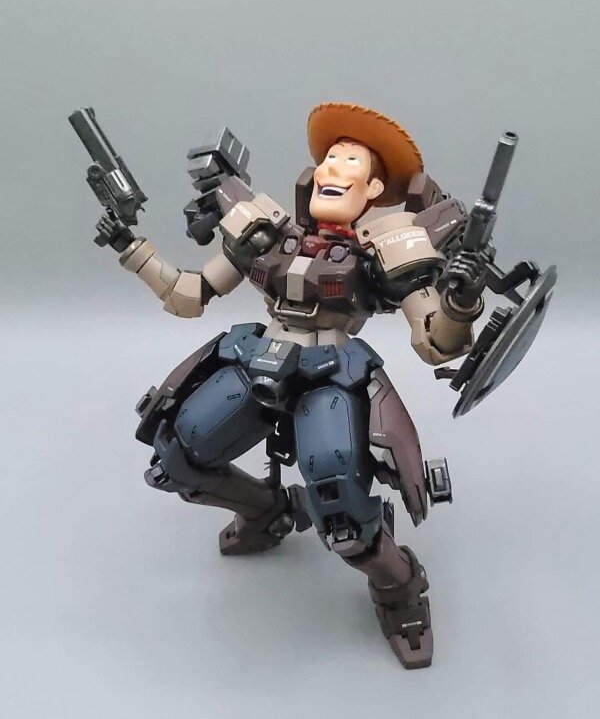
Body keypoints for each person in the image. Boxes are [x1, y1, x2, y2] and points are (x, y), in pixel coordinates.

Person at [95, 102, 484, 669]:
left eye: (350, 161)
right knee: (176, 458)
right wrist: (133, 250)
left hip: (330, 373)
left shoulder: (386, 252)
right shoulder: (266, 233)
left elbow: (435, 342)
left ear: (373, 189)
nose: (332, 169)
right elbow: (189, 294)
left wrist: (460, 302)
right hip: (260, 360)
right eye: (329, 158)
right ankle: (268, 512)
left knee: (343, 515)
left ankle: (399, 587)